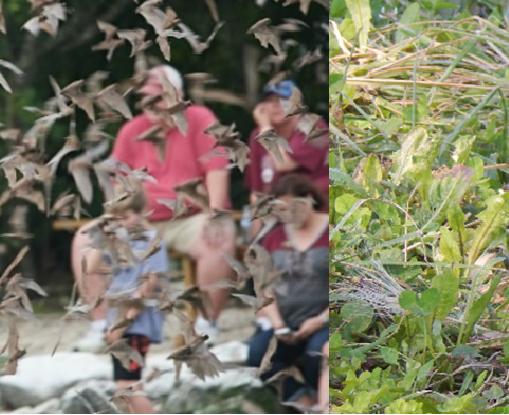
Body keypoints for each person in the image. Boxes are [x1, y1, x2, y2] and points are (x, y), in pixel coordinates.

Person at [78, 64, 234, 350]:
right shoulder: (131, 129)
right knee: (85, 239)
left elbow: (217, 170)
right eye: (146, 97)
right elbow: (118, 186)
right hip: (138, 217)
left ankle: (206, 325)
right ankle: (101, 325)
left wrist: (215, 213)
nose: (151, 104)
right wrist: (120, 219)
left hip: (190, 216)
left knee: (220, 235)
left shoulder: (200, 119)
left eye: (159, 96)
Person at [247, 173, 329, 413]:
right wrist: (278, 323)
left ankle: (321, 398)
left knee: (318, 352)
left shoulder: (332, 229)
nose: (289, 215)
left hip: (325, 319)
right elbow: (264, 285)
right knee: (258, 355)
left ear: (310, 199)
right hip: (286, 320)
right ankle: (302, 401)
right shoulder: (272, 237)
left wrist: (321, 319)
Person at [80, 192, 167, 414]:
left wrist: (123, 325)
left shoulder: (152, 241)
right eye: (115, 218)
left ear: (139, 214)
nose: (120, 223)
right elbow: (90, 268)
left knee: (126, 387)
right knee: (130, 386)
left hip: (136, 323)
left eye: (125, 217)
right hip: (117, 321)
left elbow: (148, 288)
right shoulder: (116, 242)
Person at [245, 79, 329, 239]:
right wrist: (255, 239)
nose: (275, 105)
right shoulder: (258, 136)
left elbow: (283, 164)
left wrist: (265, 129)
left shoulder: (313, 126)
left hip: (317, 217)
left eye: (283, 99)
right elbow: (257, 193)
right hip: (278, 220)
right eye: (269, 100)